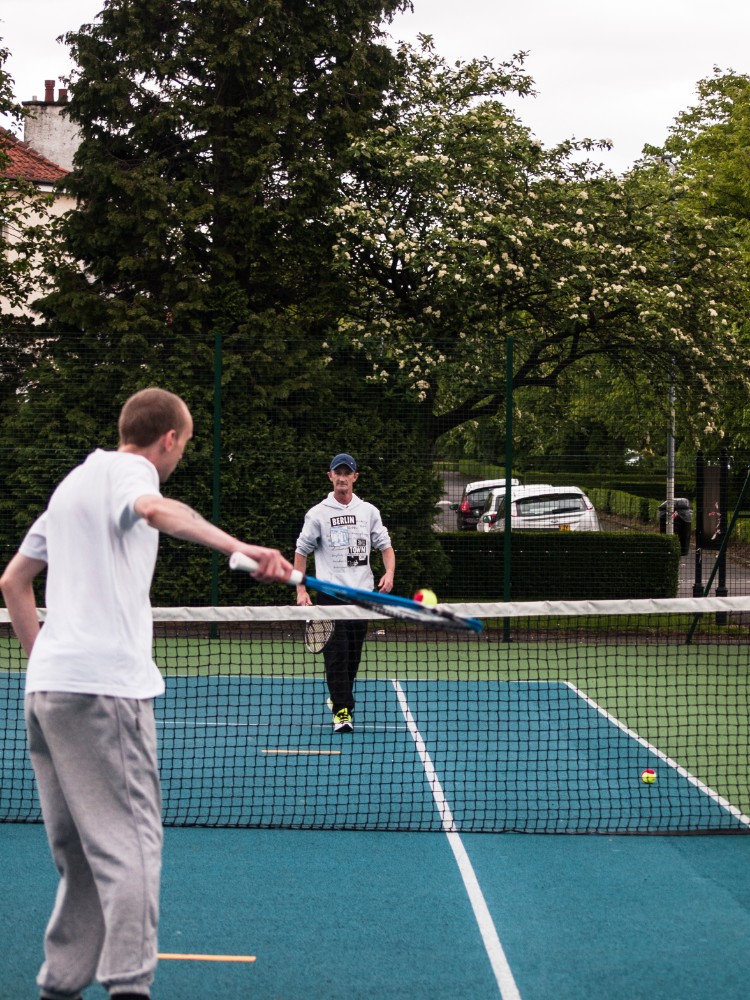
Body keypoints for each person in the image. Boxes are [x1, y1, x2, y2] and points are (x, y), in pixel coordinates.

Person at [0, 387, 294, 1000]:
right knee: (132, 848)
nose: (180, 454)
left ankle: (59, 987)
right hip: (106, 690)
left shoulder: (71, 485)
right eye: (184, 445)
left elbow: (14, 582)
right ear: (168, 439)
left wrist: (44, 660)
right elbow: (157, 511)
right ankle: (130, 989)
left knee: (83, 854)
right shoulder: (132, 471)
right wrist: (239, 547)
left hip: (48, 690)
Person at [294, 453, 395, 733]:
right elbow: (301, 552)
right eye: (336, 473)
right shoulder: (317, 514)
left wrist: (389, 573)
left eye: (346, 473)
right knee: (336, 655)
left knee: (352, 656)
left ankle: (338, 696)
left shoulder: (369, 512)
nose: (341, 477)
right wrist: (301, 590)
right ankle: (342, 711)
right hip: (330, 597)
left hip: (362, 596)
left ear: (354, 477)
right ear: (330, 477)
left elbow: (386, 547)